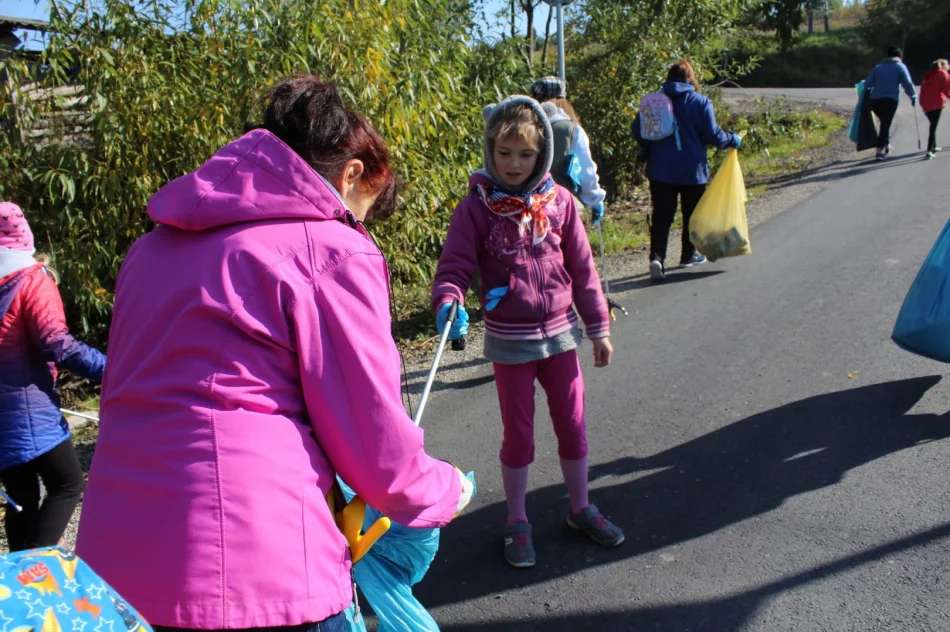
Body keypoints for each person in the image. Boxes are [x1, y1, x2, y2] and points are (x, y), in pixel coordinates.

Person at [76, 75, 473, 631]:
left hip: (118, 569)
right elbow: (375, 444)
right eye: (362, 209)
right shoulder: (329, 249)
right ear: (351, 173)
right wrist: (446, 489)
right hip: (254, 568)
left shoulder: (148, 251)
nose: (359, 226)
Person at [432, 95, 624, 570]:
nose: (514, 164)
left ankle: (580, 507)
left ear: (542, 155)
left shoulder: (560, 203)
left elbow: (583, 268)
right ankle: (516, 520)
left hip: (561, 337)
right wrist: (448, 301)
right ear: (489, 149)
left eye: (526, 154)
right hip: (510, 342)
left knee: (572, 427)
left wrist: (598, 327)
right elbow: (454, 265)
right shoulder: (476, 208)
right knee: (519, 436)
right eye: (504, 152)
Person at [0, 202, 105, 552]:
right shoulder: (31, 279)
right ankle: (37, 571)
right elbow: (56, 343)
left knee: (21, 500)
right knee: (68, 484)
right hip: (28, 410)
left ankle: (16, 591)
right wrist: (113, 368)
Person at [632, 60, 741, 282]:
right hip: (693, 169)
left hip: (660, 169)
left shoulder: (654, 102)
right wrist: (732, 139)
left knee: (662, 216)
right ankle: (688, 254)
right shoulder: (700, 102)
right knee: (691, 213)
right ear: (691, 79)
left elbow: (638, 130)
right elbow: (713, 135)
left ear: (668, 78)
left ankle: (657, 258)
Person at [530, 76, 607, 226]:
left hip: (527, 206)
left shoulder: (525, 126)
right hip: (562, 206)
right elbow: (586, 170)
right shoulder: (571, 129)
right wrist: (594, 200)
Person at [864, 46, 917, 161]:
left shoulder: (878, 67)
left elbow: (867, 84)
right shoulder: (900, 67)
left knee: (884, 122)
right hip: (890, 100)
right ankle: (879, 151)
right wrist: (912, 96)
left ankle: (887, 146)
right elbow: (907, 83)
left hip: (874, 101)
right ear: (899, 57)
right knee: (885, 124)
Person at [920, 59, 950, 159]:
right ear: (943, 66)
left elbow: (923, 90)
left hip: (925, 104)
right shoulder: (943, 74)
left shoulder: (927, 75)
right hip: (936, 103)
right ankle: (929, 151)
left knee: (932, 124)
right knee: (933, 127)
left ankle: (934, 146)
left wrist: (922, 103)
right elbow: (947, 90)